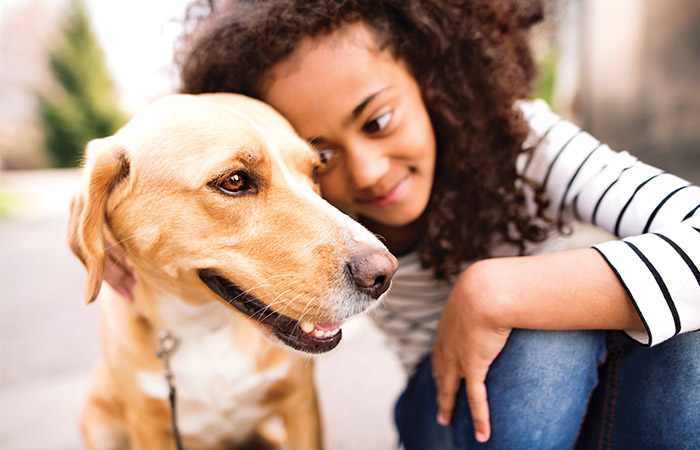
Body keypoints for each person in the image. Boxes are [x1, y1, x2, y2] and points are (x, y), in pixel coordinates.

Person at [105, 0, 700, 448]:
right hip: (450, 406)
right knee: (549, 344)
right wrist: (106, 218)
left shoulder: (524, 141)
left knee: (679, 340)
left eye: (379, 119)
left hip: (594, 394)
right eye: (322, 155)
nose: (366, 172)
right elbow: (183, 165)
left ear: (430, 76)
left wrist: (494, 290)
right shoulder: (314, 208)